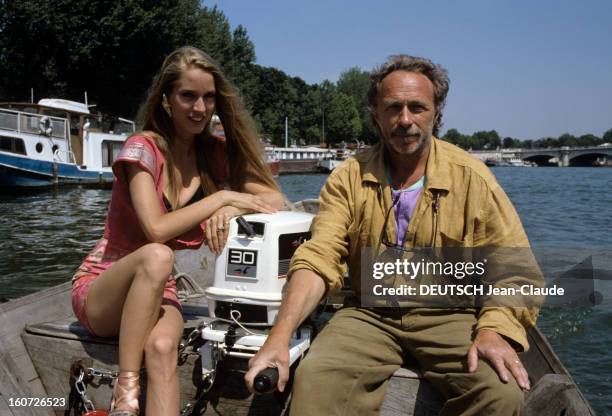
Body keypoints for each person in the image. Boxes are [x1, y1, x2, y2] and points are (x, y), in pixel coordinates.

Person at [245, 55, 539, 415]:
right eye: (393, 108)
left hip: (450, 314)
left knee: (501, 394)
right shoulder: (348, 177)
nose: (405, 120)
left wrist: (493, 330)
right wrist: (279, 336)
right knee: (316, 378)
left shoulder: (472, 178)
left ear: (436, 114)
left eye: (417, 108)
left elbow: (515, 271)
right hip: (367, 313)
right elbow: (319, 257)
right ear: (376, 115)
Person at [71, 46, 283, 416]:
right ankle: (126, 391)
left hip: (160, 288)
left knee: (165, 347)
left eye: (208, 97)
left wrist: (232, 205)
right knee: (158, 255)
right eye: (188, 96)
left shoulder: (212, 154)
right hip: (103, 286)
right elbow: (155, 229)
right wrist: (222, 198)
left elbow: (272, 197)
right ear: (167, 98)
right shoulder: (143, 149)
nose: (200, 108)